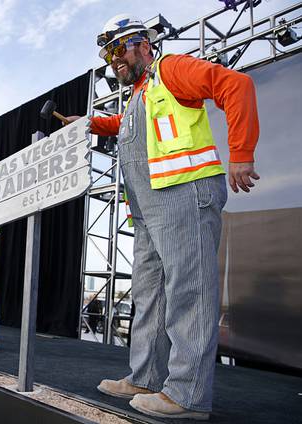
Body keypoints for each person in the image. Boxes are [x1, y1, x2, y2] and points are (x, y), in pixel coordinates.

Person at [66, 14, 260, 420]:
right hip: (149, 209)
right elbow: (123, 125)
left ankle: (187, 395)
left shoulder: (170, 69)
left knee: (190, 290)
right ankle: (146, 377)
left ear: (143, 44)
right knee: (149, 293)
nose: (112, 59)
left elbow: (235, 85)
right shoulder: (140, 94)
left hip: (184, 194)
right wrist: (87, 124)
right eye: (107, 54)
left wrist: (241, 153)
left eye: (118, 48)